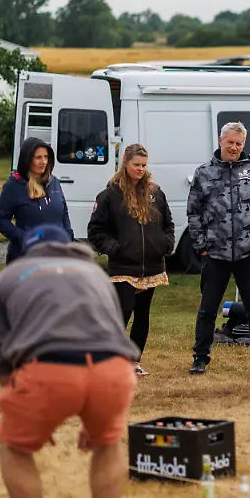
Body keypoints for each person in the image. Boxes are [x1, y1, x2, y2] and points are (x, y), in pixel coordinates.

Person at [0, 225, 140, 498]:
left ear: (30, 251)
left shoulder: (9, 277)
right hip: (113, 370)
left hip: (47, 370)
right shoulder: (96, 273)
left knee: (15, 448)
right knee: (108, 443)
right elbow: (115, 329)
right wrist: (91, 409)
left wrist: (30, 409)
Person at [187, 122, 250, 375]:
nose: (234, 147)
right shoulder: (204, 173)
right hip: (215, 253)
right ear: (220, 141)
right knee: (207, 310)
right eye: (230, 142)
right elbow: (193, 212)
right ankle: (200, 358)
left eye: (239, 143)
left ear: (243, 145)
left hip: (248, 253)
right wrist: (201, 245)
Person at [87, 144, 175, 377]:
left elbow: (168, 223)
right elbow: (96, 231)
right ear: (125, 164)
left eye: (144, 165)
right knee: (123, 311)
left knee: (142, 314)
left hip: (152, 265)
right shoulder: (109, 196)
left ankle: (133, 362)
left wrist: (166, 244)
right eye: (136, 165)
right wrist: (115, 249)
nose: (140, 169)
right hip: (123, 266)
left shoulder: (156, 193)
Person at [0, 137, 74, 263]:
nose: (43, 161)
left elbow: (64, 212)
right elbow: (1, 219)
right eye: (38, 158)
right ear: (27, 160)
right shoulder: (13, 185)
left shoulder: (54, 182)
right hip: (25, 258)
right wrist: (23, 237)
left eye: (46, 157)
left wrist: (68, 235)